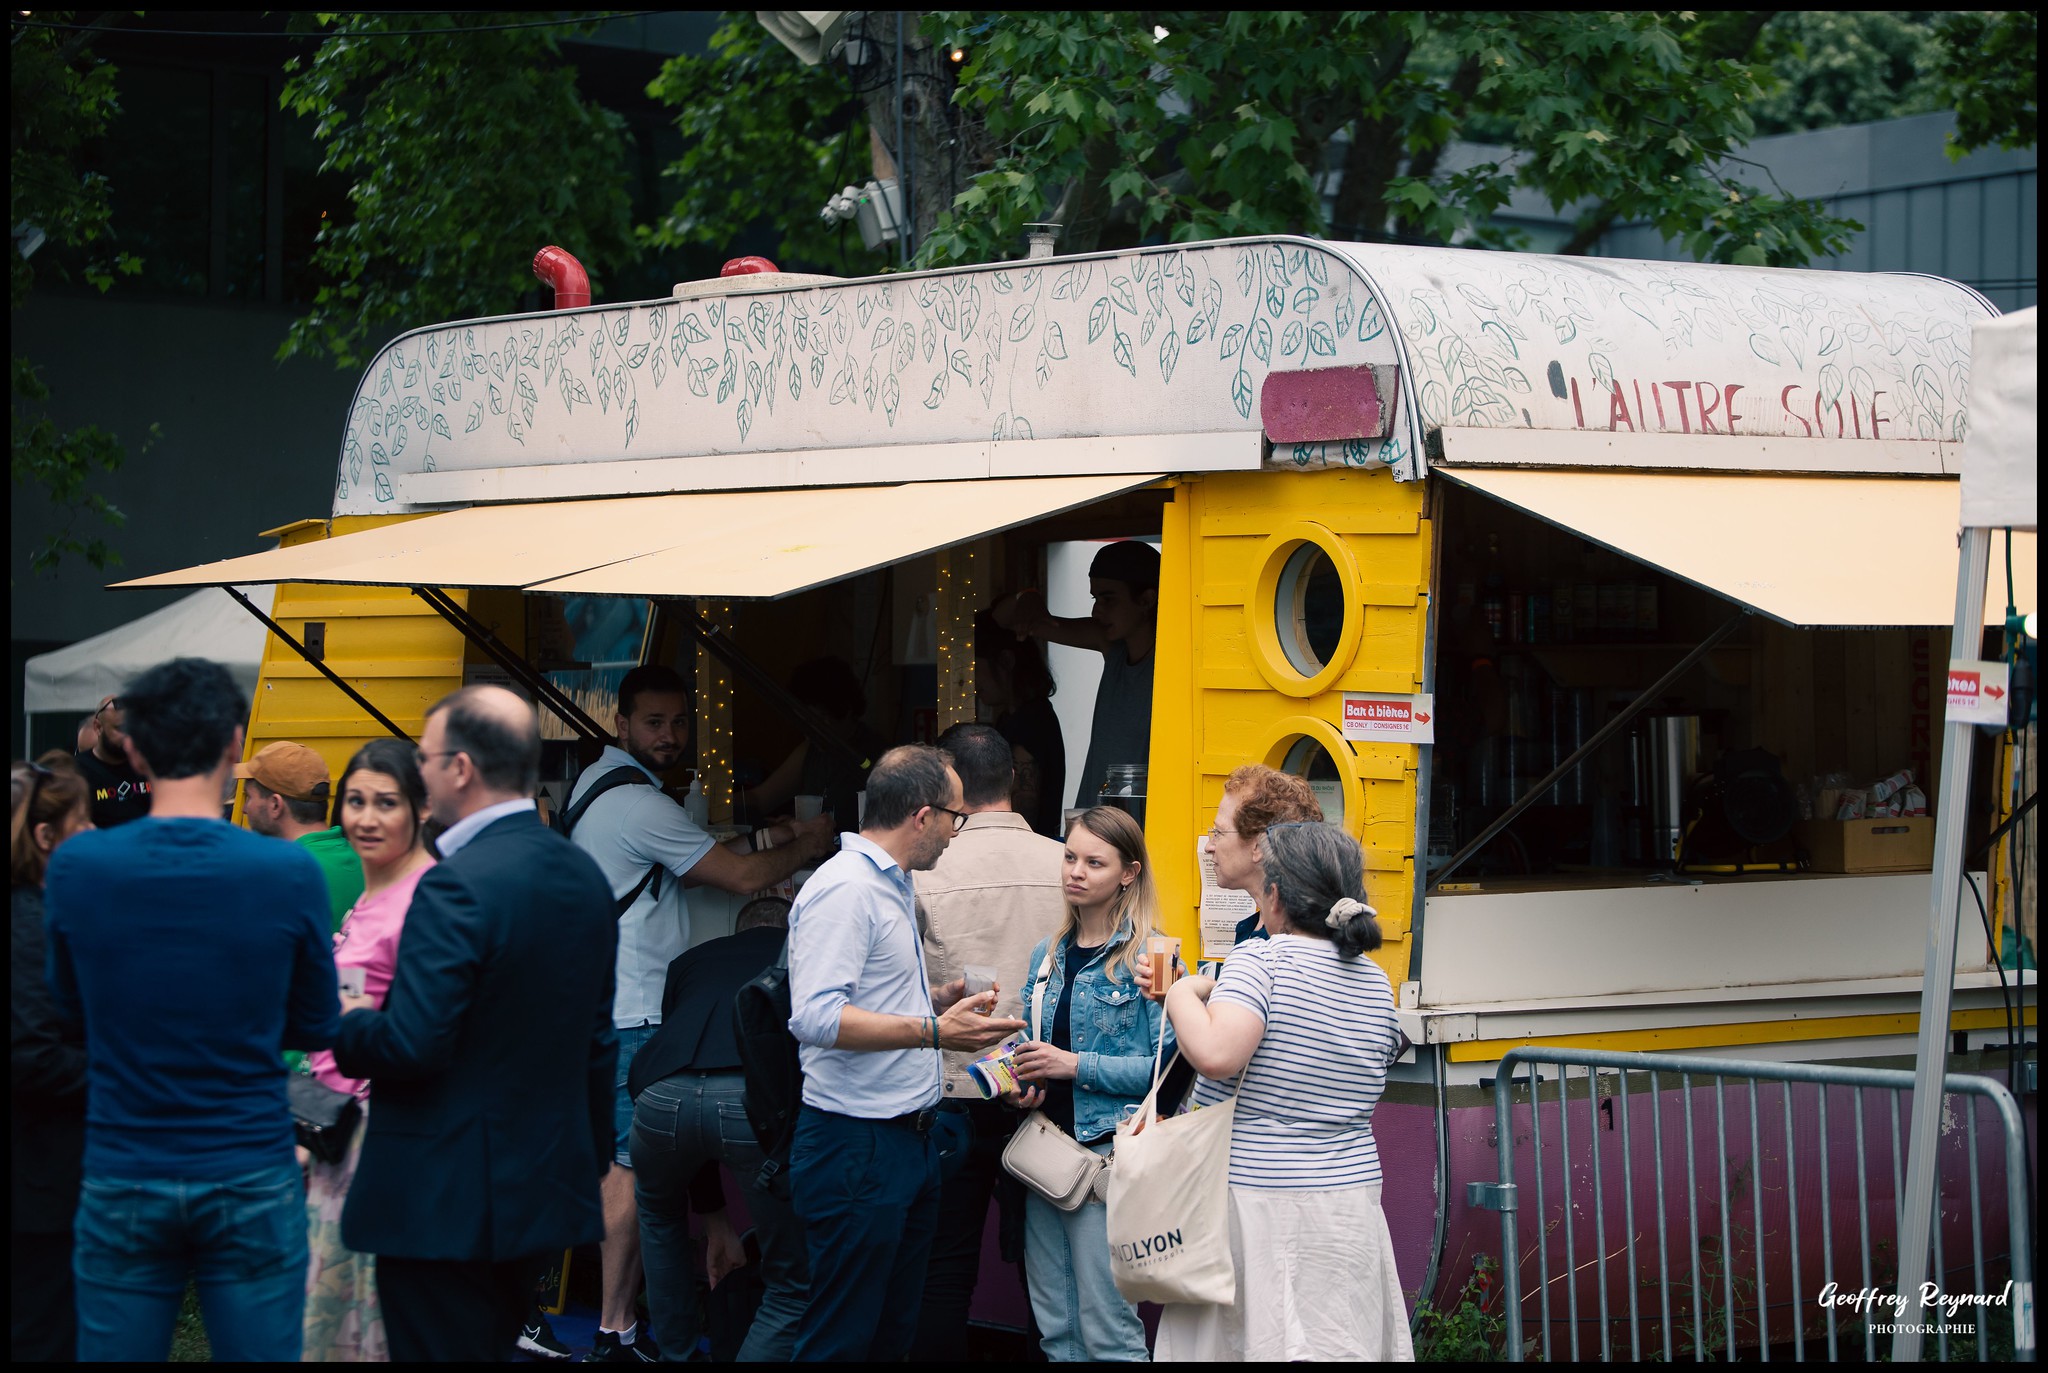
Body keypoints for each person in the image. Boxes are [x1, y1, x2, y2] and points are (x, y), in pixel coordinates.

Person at [44, 658, 340, 1362]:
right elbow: (317, 1023)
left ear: (137, 748)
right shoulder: (287, 870)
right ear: (235, 743)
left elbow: (68, 1012)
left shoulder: (78, 868)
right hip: (248, 1161)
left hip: (125, 1162)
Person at [331, 686, 618, 1363]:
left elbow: (413, 1041)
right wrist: (588, 1158)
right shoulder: (581, 874)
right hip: (542, 1190)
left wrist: (343, 1018)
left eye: (425, 758)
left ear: (459, 768)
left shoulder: (456, 882)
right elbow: (597, 1041)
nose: (420, 772)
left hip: (441, 1196)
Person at [567, 663, 837, 1364]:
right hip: (635, 1010)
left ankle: (653, 1333)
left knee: (641, 1176)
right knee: (631, 1176)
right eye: (654, 722)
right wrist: (807, 844)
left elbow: (699, 860)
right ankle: (616, 1327)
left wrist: (757, 842)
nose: (670, 734)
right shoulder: (639, 804)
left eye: (679, 721)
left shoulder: (598, 784)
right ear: (621, 723)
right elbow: (745, 879)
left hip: (608, 1005)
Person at [784, 744, 1026, 1361]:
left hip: (904, 1141)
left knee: (895, 1332)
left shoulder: (891, 881)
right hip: (856, 1143)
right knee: (842, 1338)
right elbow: (815, 1016)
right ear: (923, 817)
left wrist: (933, 997)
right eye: (955, 816)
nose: (957, 831)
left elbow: (866, 990)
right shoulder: (846, 889)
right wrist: (932, 1029)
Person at [1149, 822, 1412, 1362]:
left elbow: (1218, 1053)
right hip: (1348, 1203)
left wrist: (1178, 992)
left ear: (1274, 894)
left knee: (1253, 1342)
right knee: (1335, 1341)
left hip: (1256, 1202)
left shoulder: (1261, 959)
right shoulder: (1373, 978)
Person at [909, 723, 1067, 1360]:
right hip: (1046, 1088)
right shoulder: (1073, 865)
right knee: (1051, 1271)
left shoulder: (923, 871)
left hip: (953, 1088)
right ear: (1014, 779)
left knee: (943, 1268)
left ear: (948, 782)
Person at [1008, 806, 1167, 1362]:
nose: (1075, 871)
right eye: (1070, 857)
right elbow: (1033, 1050)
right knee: (1056, 1328)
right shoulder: (1047, 956)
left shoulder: (1152, 956)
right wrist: (1017, 1078)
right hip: (1045, 1152)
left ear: (1128, 872)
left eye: (1094, 862)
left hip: (1108, 1158)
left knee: (1110, 1330)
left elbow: (1164, 1072)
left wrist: (1073, 1065)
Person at [299, 739, 438, 1363]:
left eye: (386, 802)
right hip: (335, 1139)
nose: (367, 817)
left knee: (368, 1331)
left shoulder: (427, 900)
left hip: (380, 1144)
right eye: (356, 801)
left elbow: (425, 1035)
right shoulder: (372, 893)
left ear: (421, 808)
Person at [629, 896, 809, 1363]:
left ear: (738, 928)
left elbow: (693, 1102)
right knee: (792, 1283)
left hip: (658, 1096)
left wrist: (715, 1220)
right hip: (747, 1099)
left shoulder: (690, 961)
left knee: (659, 1219)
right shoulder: (800, 957)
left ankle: (677, 1356)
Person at [11, 753, 94, 1362]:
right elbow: (33, 1055)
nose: (91, 833)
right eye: (81, 822)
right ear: (46, 837)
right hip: (39, 1174)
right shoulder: (30, 925)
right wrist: (120, 1074)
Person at [994, 540, 1159, 809]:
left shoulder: (1172, 660)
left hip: (1144, 829)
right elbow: (1002, 618)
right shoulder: (1113, 647)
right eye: (1096, 599)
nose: (1097, 610)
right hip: (1097, 823)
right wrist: (1027, 596)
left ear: (1146, 600)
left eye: (1109, 599)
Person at [743, 656, 888, 835]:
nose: (809, 730)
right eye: (803, 720)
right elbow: (760, 798)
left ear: (845, 709)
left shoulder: (876, 756)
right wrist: (714, 802)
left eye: (818, 719)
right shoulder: (809, 751)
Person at [240, 739, 366, 934]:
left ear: (275, 805)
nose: (244, 809)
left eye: (249, 797)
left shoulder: (279, 874)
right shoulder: (367, 860)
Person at [972, 611, 1066, 840]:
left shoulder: (1031, 721)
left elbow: (1026, 811)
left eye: (976, 665)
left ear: (1006, 661)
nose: (973, 679)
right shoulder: (1013, 717)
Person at [72, 694, 151, 828]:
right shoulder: (78, 771)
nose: (127, 735)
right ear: (98, 727)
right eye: (119, 729)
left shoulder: (145, 765)